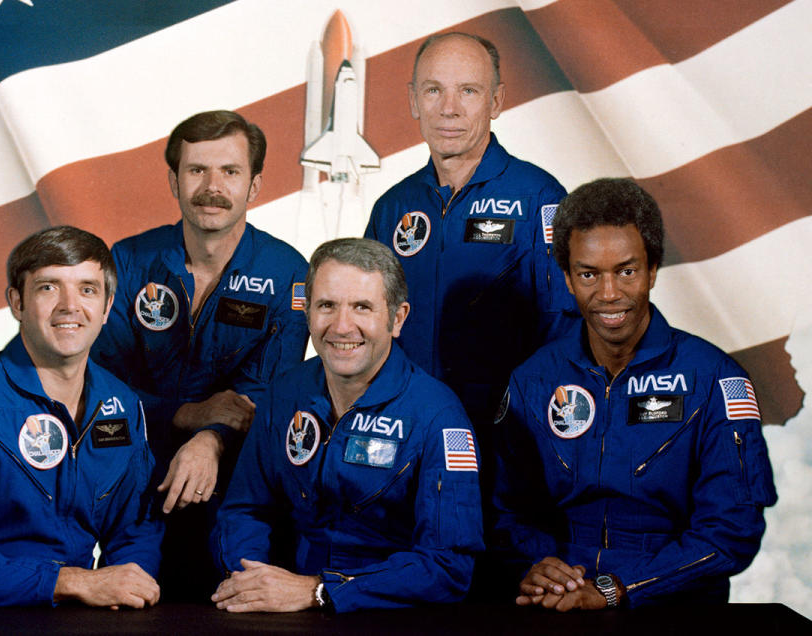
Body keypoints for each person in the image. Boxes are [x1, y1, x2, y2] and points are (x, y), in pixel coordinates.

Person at [491, 178, 777, 609]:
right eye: (589, 274)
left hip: (673, 603)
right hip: (561, 597)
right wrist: (538, 565)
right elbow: (503, 512)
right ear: (567, 278)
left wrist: (618, 590)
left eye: (626, 271)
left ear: (653, 270)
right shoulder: (533, 379)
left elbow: (731, 531)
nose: (609, 295)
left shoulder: (715, 379)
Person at [90, 110, 310, 599]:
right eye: (197, 171)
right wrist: (188, 415)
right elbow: (100, 387)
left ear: (253, 186)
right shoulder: (129, 261)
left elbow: (266, 393)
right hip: (137, 478)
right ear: (174, 180)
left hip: (240, 486)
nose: (213, 186)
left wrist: (209, 440)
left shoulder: (287, 272)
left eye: (230, 172)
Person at [210, 238, 483, 613]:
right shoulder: (286, 394)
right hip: (285, 603)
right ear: (307, 313)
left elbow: (449, 566)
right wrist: (252, 580)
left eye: (362, 307)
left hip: (386, 612)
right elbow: (245, 509)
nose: (341, 326)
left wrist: (320, 591)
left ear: (397, 318)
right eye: (326, 306)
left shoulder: (438, 417)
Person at [0, 226, 163, 607]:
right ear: (17, 302)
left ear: (108, 307)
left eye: (88, 289)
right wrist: (71, 583)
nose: (70, 306)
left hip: (83, 618)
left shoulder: (120, 404)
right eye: (48, 287)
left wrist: (126, 588)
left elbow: (135, 530)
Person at [364, 32, 578, 431]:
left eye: (468, 91)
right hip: (408, 430)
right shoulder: (392, 208)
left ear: (496, 101)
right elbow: (367, 324)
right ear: (413, 100)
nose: (449, 109)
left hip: (505, 437)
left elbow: (565, 329)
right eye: (433, 90)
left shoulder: (539, 198)